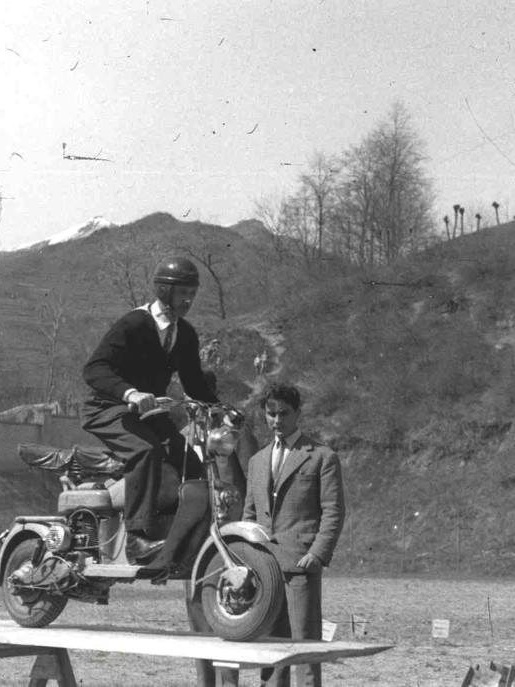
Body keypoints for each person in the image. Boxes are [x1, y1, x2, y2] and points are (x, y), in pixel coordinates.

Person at [81, 256, 218, 563]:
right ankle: (137, 537)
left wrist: (222, 408)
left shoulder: (185, 334)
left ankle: (177, 536)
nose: (189, 299)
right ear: (164, 291)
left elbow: (194, 383)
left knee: (191, 465)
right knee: (145, 451)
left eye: (193, 293)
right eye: (183, 292)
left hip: (147, 414)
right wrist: (129, 392)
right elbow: (94, 369)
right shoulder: (134, 323)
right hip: (107, 408)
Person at [243, 382, 345, 687]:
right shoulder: (256, 461)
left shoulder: (321, 457)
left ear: (297, 413)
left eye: (283, 413)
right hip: (264, 571)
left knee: (304, 650)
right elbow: (249, 515)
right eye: (270, 414)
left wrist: (316, 554)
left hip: (301, 567)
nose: (277, 420)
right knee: (270, 651)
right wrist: (247, 561)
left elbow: (334, 511)